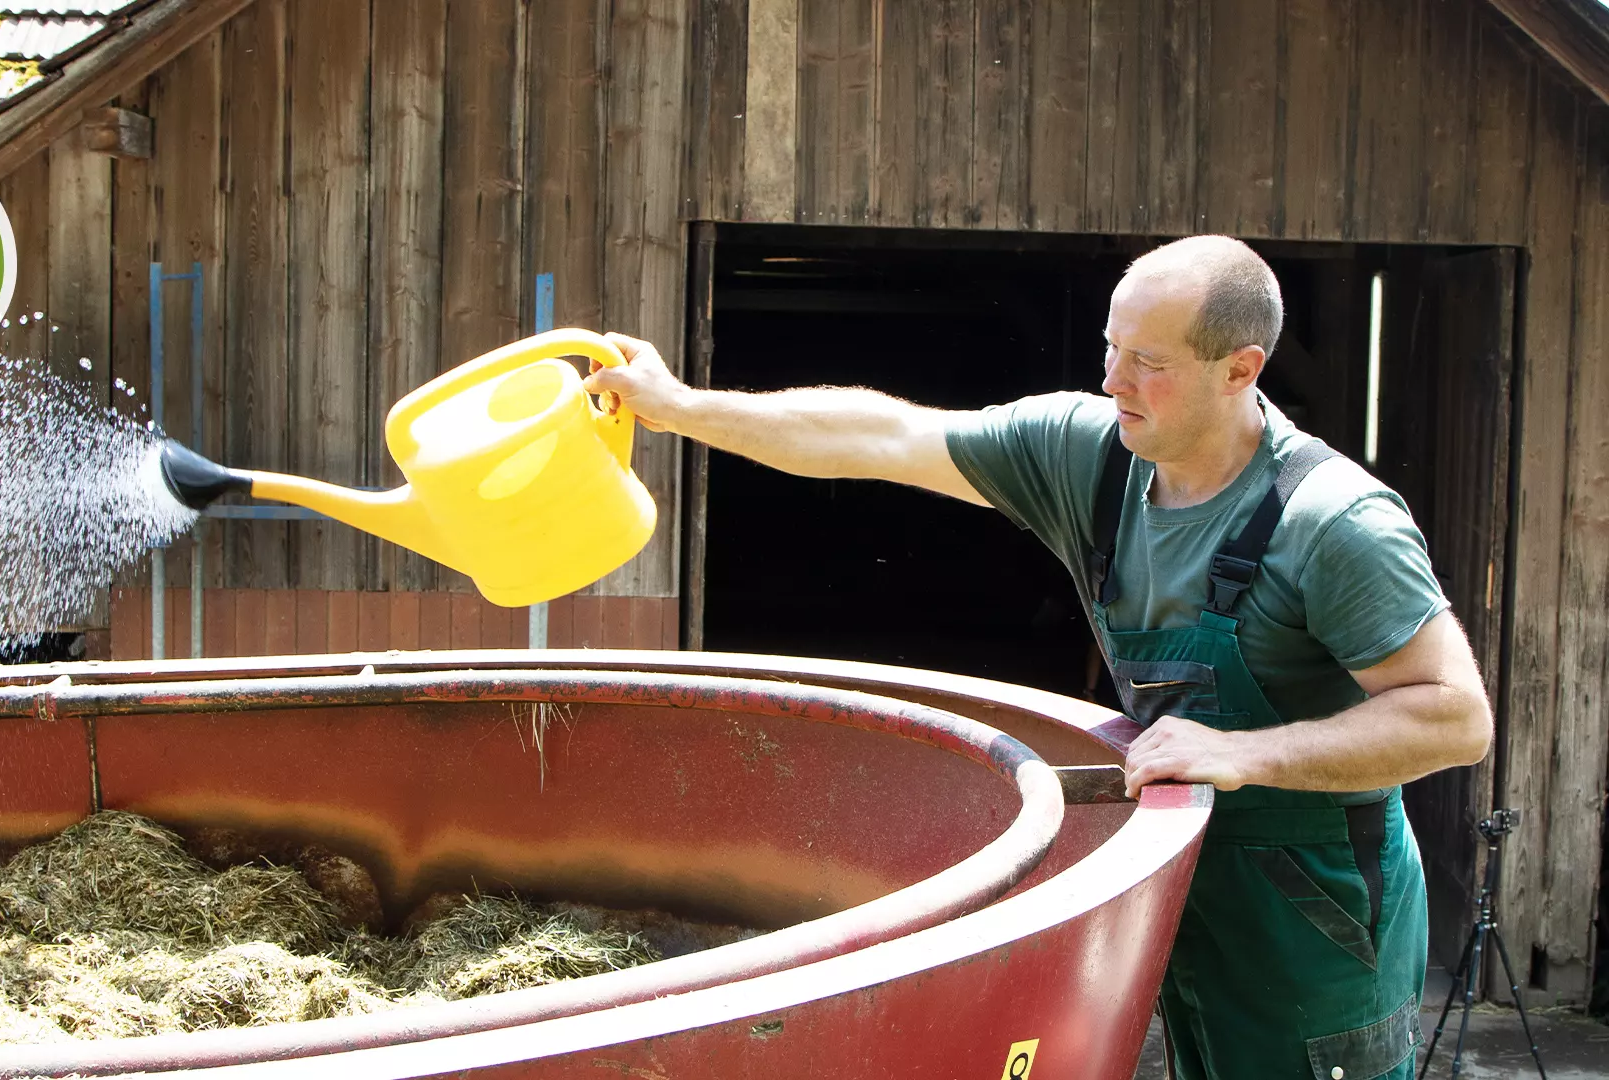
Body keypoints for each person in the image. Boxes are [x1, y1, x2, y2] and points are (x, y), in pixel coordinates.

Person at [584, 235, 1493, 1080]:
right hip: (1188, 879)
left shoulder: (1333, 522)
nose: (1114, 380)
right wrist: (681, 408)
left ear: (1240, 371)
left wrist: (1243, 756)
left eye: (1149, 362)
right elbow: (883, 436)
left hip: (1319, 917)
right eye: (1110, 348)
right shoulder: (1088, 457)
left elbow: (1454, 717)